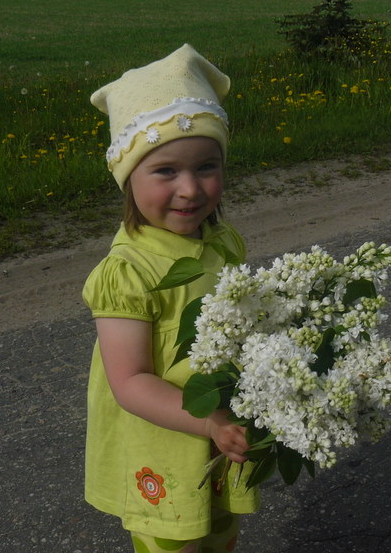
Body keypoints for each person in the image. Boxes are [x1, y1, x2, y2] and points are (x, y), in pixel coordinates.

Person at [82, 44, 260, 553]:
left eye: (207, 166)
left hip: (224, 433)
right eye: (164, 172)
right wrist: (209, 420)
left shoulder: (222, 243)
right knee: (176, 542)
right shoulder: (128, 272)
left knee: (220, 533)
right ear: (127, 179)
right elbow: (131, 382)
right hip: (165, 441)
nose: (190, 189)